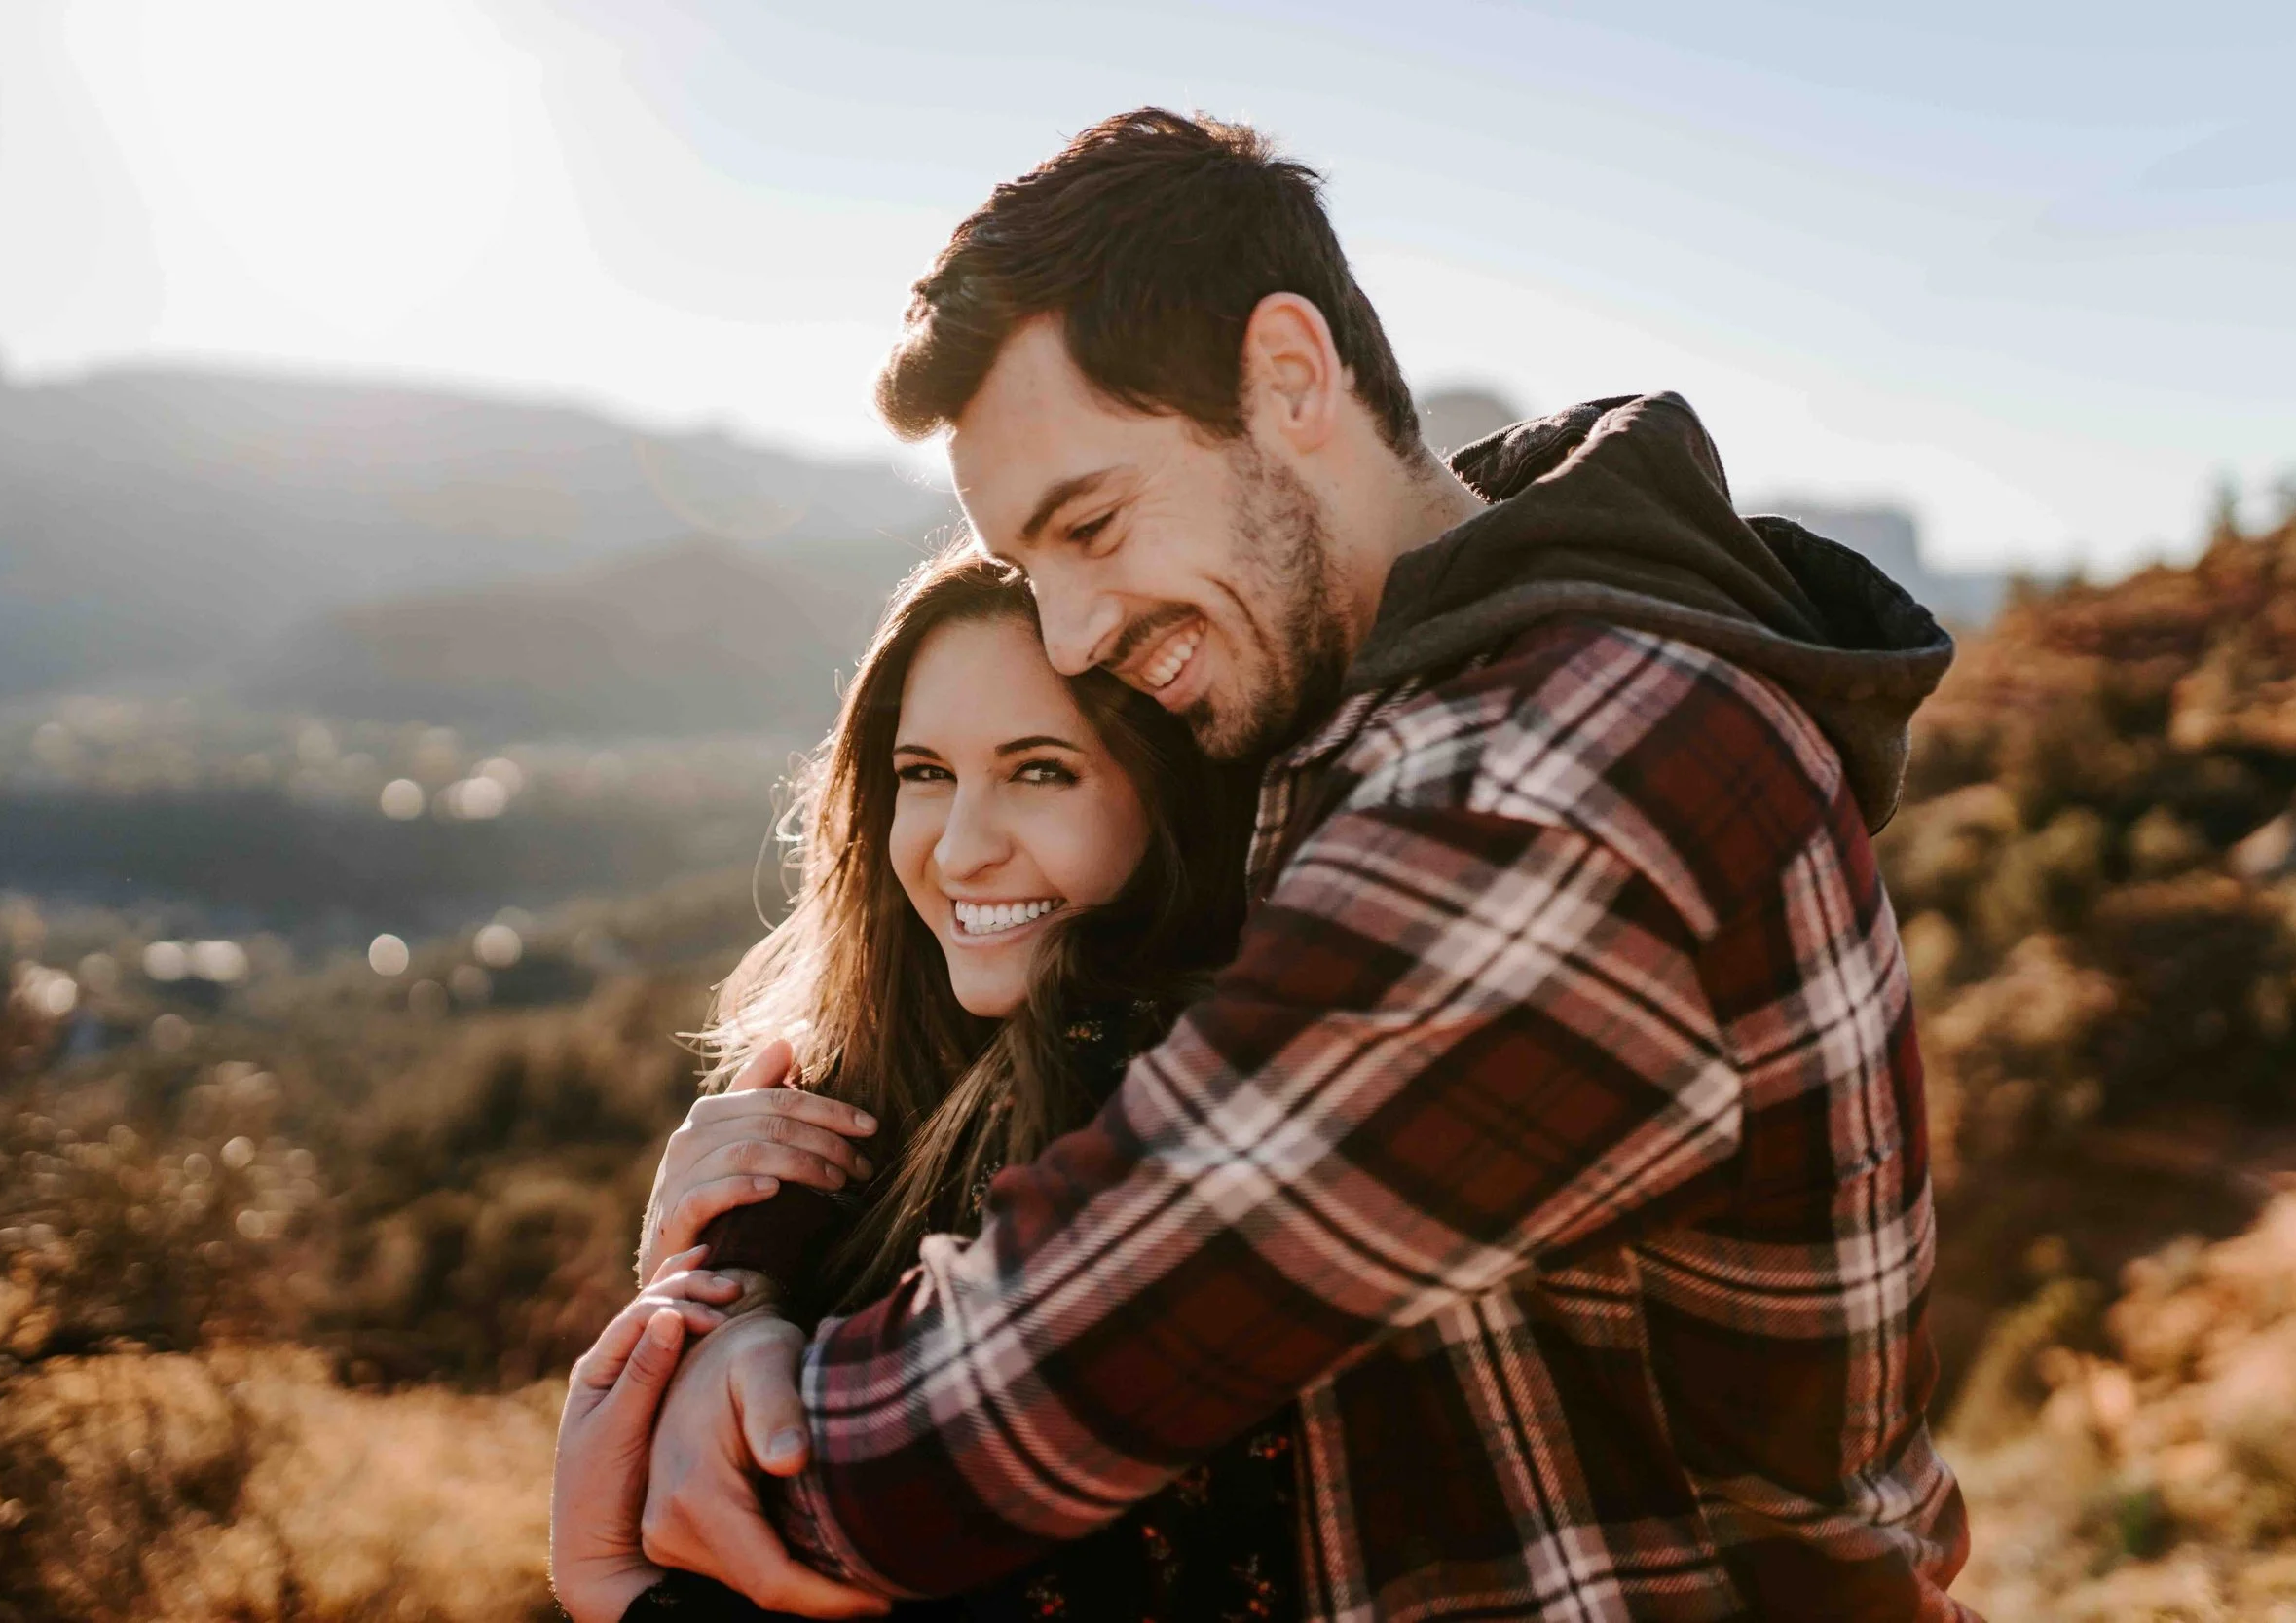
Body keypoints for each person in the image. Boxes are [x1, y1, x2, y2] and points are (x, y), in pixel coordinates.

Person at [628, 107, 1977, 1621]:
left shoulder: (1558, 770)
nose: (1073, 635)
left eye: (1096, 521)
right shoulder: (1363, 716)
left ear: (1288, 375)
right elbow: (1034, 1033)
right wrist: (743, 1248)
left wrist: (705, 1420)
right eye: (1033, 566)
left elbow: (1037, 1384)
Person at [553, 550, 1292, 1620]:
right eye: (925, 772)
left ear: (1175, 797)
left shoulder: (1150, 1104)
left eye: (1041, 770)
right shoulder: (851, 1107)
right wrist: (707, 1291)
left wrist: (613, 1583)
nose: (959, 848)